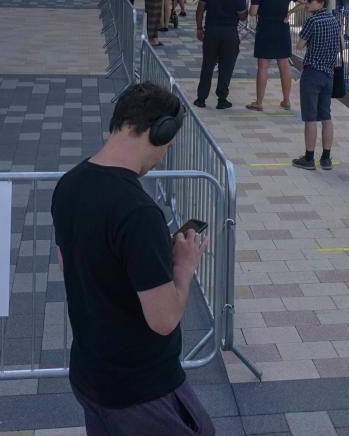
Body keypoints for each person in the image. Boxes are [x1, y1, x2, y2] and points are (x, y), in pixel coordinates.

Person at [52, 82, 215, 436]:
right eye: (167, 146)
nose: (163, 156)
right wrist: (183, 266)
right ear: (160, 133)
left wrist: (147, 261)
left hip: (89, 373)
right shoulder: (138, 212)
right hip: (140, 388)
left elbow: (72, 267)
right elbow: (164, 319)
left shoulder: (69, 184)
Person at [292, 0, 342, 171]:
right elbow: (341, 44)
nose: (306, 3)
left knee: (310, 118)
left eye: (310, 0)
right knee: (326, 116)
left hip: (312, 72)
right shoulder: (334, 20)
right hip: (329, 73)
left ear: (321, 2)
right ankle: (326, 157)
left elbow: (299, 44)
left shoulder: (312, 21)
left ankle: (309, 157)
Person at [246, 0, 302, 112]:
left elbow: (252, 13)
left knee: (263, 66)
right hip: (282, 29)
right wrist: (289, 12)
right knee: (284, 66)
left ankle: (259, 102)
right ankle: (286, 100)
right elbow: (304, 1)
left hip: (265, 29)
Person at [195, 0, 248, 109]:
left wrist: (199, 28)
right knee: (226, 66)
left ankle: (201, 98)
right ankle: (221, 98)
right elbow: (243, 17)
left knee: (207, 64)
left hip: (211, 30)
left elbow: (200, 10)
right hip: (229, 32)